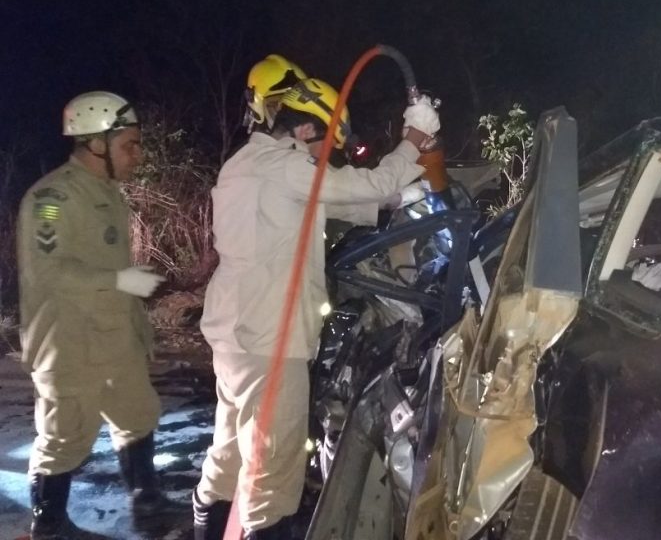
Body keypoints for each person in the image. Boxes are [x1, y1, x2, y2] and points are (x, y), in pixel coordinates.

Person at [192, 64, 439, 539]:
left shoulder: (248, 164)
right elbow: (357, 186)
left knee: (230, 452)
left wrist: (395, 199)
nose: (324, 158)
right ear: (305, 128)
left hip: (236, 337)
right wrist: (413, 141)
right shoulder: (285, 164)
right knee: (273, 471)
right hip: (269, 341)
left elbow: (335, 200)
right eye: (323, 145)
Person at [17, 91, 180, 538]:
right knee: (63, 438)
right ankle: (48, 525)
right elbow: (47, 268)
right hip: (67, 343)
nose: (138, 155)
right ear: (95, 144)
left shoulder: (106, 192)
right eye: (130, 145)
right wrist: (120, 281)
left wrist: (138, 328)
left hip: (112, 339)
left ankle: (146, 501)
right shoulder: (51, 198)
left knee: (139, 414)